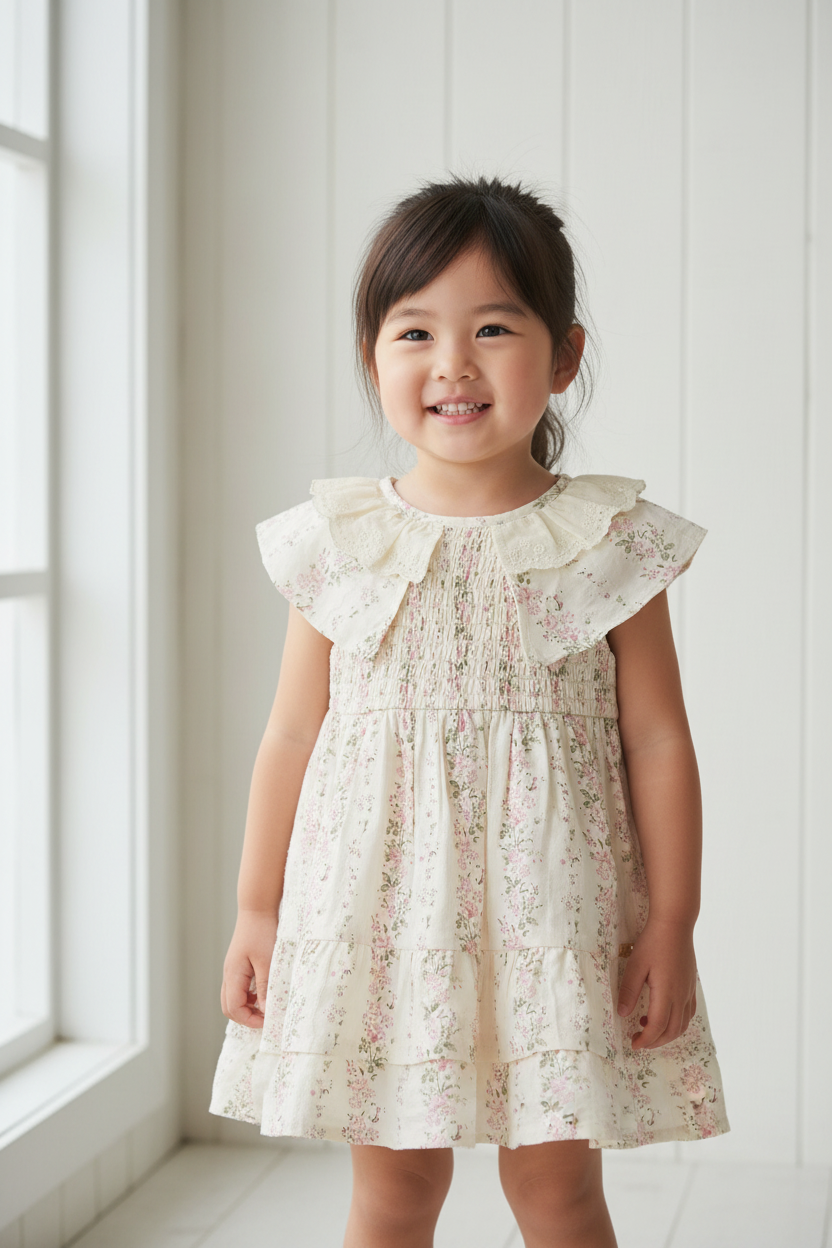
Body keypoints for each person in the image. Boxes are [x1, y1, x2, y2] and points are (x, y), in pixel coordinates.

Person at [209, 175, 729, 1248]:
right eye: (414, 332)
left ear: (564, 356)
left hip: (554, 924)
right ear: (372, 359)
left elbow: (658, 740)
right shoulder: (341, 542)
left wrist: (670, 922)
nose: (452, 363)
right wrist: (258, 910)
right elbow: (291, 736)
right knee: (394, 1194)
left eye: (493, 327)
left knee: (556, 1194)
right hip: (383, 925)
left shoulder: (605, 543)